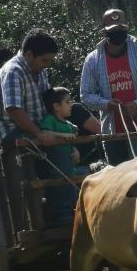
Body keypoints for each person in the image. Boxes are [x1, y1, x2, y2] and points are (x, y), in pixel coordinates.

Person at [80, 8, 137, 165]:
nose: (117, 32)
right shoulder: (92, 60)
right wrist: (106, 104)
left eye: (121, 29)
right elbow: (85, 94)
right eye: (113, 30)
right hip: (112, 132)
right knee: (117, 180)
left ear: (127, 28)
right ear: (104, 31)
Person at [0, 28, 60, 148]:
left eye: (49, 61)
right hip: (13, 134)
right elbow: (14, 110)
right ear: (29, 54)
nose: (47, 65)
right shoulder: (13, 71)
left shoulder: (40, 71)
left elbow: (48, 103)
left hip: (37, 129)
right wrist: (39, 134)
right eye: (44, 60)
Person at [39, 87, 80, 226]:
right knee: (60, 193)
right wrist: (63, 136)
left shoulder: (69, 125)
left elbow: (72, 142)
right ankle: (62, 218)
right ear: (56, 106)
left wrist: (74, 149)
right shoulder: (50, 120)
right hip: (56, 169)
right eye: (67, 102)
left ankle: (74, 213)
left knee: (73, 189)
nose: (71, 105)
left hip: (70, 168)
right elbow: (45, 133)